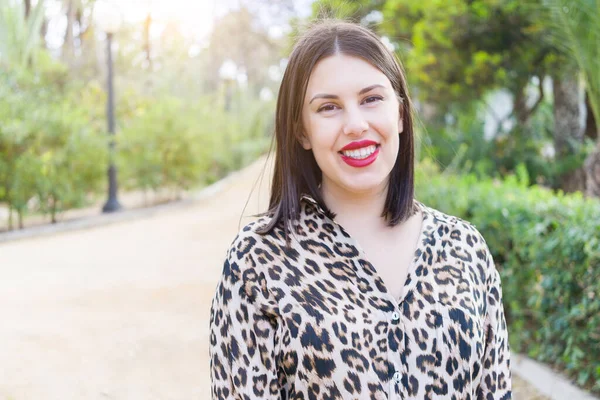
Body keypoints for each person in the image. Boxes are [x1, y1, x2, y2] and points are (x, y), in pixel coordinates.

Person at [209, 19, 512, 400]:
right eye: (328, 107)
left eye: (371, 99)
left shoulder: (465, 248)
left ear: (400, 113)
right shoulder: (256, 262)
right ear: (301, 131)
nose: (356, 124)